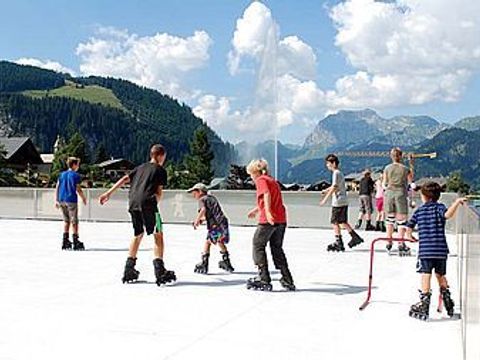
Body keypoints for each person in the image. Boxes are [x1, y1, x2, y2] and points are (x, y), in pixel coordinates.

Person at [99, 144, 176, 286]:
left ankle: (129, 269)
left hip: (133, 203)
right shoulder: (160, 170)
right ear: (160, 156)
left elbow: (123, 180)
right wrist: (154, 204)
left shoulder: (140, 168)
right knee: (158, 233)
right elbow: (159, 192)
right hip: (148, 203)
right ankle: (160, 271)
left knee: (138, 234)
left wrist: (108, 193)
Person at [406, 181, 467, 320]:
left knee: (425, 274)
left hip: (426, 251)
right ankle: (447, 301)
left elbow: (409, 225)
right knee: (440, 275)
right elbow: (447, 215)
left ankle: (424, 303)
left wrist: (409, 236)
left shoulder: (419, 210)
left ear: (424, 196)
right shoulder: (440, 208)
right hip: (440, 250)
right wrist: (456, 203)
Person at [246, 159, 295, 291]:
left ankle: (264, 279)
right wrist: (257, 209)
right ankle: (287, 278)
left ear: (255, 172)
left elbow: (266, 194)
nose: (251, 177)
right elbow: (271, 198)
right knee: (277, 248)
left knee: (258, 245)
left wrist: (267, 212)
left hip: (269, 220)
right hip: (281, 219)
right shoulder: (272, 180)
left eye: (250, 174)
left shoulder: (261, 180)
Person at [188, 183, 234, 274]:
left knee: (208, 242)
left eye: (194, 193)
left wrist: (197, 220)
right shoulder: (211, 198)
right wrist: (202, 220)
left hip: (215, 225)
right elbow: (212, 213)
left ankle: (204, 263)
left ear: (200, 192)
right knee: (219, 241)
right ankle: (226, 261)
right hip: (221, 222)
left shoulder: (202, 199)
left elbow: (203, 210)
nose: (193, 195)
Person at [320, 154, 364, 252]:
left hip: (338, 201)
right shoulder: (339, 173)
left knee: (334, 222)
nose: (327, 165)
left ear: (333, 163)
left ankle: (338, 242)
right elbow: (334, 186)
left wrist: (325, 199)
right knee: (342, 221)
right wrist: (326, 190)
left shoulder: (335, 173)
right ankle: (355, 237)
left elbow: (335, 187)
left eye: (328, 163)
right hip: (343, 200)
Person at [383, 147, 413, 255]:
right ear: (401, 156)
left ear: (391, 156)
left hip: (389, 193)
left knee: (389, 219)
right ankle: (400, 242)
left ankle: (389, 241)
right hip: (400, 193)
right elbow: (411, 181)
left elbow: (385, 183)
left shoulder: (387, 168)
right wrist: (411, 164)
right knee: (402, 219)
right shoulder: (405, 168)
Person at [55, 157, 87, 251]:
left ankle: (65, 240)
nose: (78, 167)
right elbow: (78, 189)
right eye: (77, 164)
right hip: (71, 199)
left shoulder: (61, 174)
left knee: (66, 221)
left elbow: (57, 187)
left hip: (61, 199)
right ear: (73, 165)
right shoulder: (75, 175)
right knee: (74, 221)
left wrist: (56, 199)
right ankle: (75, 240)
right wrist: (83, 198)